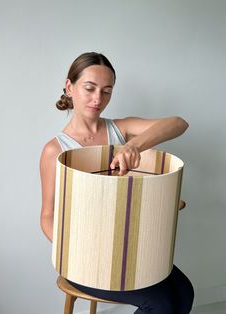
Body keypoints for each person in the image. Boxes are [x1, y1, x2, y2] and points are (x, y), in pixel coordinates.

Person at [40, 52, 194, 313]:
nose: (98, 99)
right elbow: (48, 215)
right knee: (162, 303)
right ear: (70, 87)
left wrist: (134, 145)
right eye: (89, 88)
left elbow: (179, 123)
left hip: (126, 247)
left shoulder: (120, 130)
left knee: (183, 291)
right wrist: (79, 248)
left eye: (107, 91)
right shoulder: (56, 150)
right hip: (84, 259)